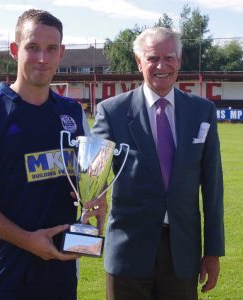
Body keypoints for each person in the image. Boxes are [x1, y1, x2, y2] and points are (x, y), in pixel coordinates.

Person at [0, 9, 106, 300]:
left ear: (61, 53)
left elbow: (91, 177)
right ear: (15, 50)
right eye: (33, 47)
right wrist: (28, 241)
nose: (42, 58)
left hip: (61, 274)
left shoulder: (72, 113)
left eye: (51, 49)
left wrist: (97, 199)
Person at [92, 27, 224, 300]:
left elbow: (213, 188)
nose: (162, 66)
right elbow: (94, 173)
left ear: (180, 60)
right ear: (139, 62)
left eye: (169, 57)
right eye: (152, 58)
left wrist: (212, 250)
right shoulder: (112, 111)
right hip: (128, 253)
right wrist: (94, 193)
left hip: (183, 253)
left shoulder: (203, 111)